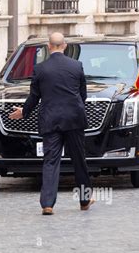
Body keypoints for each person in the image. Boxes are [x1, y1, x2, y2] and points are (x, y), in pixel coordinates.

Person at [9, 32, 94, 215]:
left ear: (49, 47)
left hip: (51, 120)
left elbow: (34, 97)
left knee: (50, 161)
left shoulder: (40, 69)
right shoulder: (76, 66)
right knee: (79, 160)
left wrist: (23, 112)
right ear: (64, 46)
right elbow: (83, 94)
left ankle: (47, 204)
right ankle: (85, 200)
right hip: (74, 119)